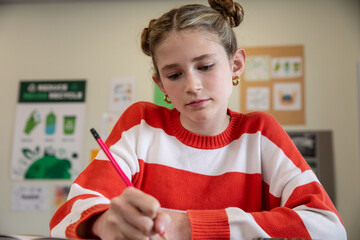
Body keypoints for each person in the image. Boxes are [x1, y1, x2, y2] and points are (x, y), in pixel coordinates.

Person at [49, 0, 347, 239]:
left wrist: (187, 227)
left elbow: (329, 227)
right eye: (174, 75)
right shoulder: (141, 125)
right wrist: (102, 223)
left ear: (236, 65)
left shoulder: (260, 133)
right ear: (161, 84)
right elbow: (67, 215)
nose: (192, 85)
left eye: (205, 66)